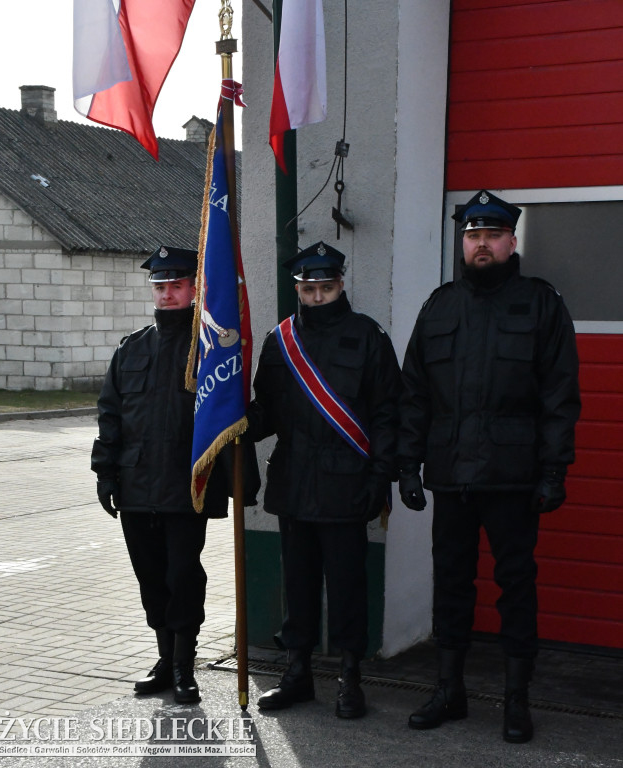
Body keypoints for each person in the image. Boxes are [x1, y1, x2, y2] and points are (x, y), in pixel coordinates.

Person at [398, 190, 581, 743]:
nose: (481, 244)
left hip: (513, 478)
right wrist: (408, 464)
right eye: (473, 235)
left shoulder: (541, 304)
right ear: (463, 242)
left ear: (511, 241)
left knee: (515, 586)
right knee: (451, 583)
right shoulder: (439, 306)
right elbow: (414, 394)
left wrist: (555, 470)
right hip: (452, 474)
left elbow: (559, 396)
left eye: (492, 235)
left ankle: (515, 700)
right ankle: (449, 690)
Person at [91, 246, 253, 704]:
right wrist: (104, 473)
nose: (167, 294)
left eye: (176, 285)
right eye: (160, 287)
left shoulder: (211, 349)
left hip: (188, 487)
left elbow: (230, 413)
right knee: (151, 579)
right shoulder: (132, 347)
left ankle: (185, 666)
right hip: (137, 486)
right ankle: (164, 660)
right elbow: (111, 415)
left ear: (193, 288)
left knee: (183, 576)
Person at [247, 241, 400, 719]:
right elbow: (266, 411)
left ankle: (350, 677)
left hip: (347, 483)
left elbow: (388, 414)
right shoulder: (280, 340)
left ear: (340, 285)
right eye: (308, 289)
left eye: (325, 288)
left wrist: (382, 475)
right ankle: (298, 674)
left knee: (348, 584)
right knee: (299, 583)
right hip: (294, 482)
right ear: (298, 289)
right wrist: (229, 420)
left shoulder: (368, 336)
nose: (316, 297)